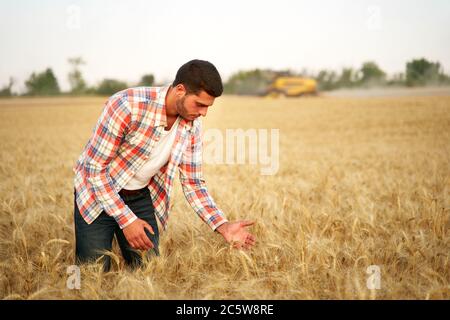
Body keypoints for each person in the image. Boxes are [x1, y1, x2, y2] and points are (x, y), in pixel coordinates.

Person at [73, 59, 256, 271]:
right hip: (96, 194)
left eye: (208, 107)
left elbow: (193, 182)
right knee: (90, 272)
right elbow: (95, 171)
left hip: (138, 196)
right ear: (180, 90)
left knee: (149, 271)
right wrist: (126, 220)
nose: (204, 113)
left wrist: (222, 226)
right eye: (200, 104)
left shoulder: (192, 124)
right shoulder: (126, 105)